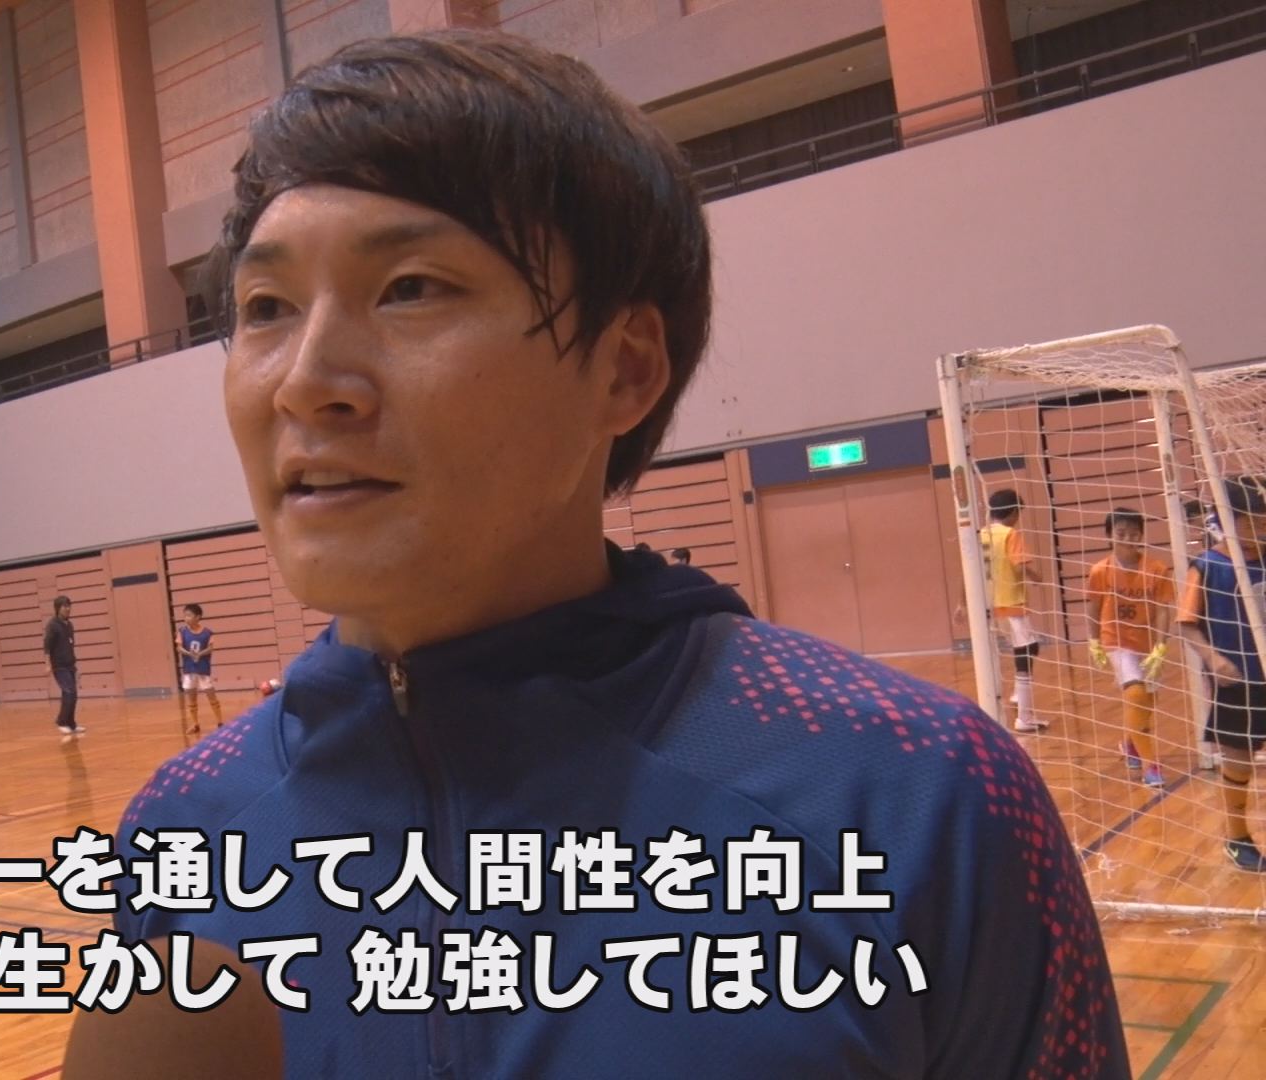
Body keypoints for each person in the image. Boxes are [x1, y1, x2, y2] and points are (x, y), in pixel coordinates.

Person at [103, 29, 1127, 1079]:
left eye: (410, 288)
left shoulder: (915, 796)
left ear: (626, 369)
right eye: (266, 309)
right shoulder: (180, 834)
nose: (305, 380)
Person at [1176, 476, 1266, 871]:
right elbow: (1186, 623)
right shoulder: (1209, 566)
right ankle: (1236, 836)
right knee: (1238, 759)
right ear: (1229, 520)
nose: (1262, 528)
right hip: (1238, 680)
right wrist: (1214, 660)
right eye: (1254, 521)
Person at [1086, 509, 1174, 787]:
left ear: (1141, 536)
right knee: (1135, 694)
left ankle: (1129, 743)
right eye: (1121, 533)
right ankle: (1151, 766)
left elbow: (1163, 610)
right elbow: (1093, 607)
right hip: (1116, 641)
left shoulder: (1157, 569)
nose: (1127, 539)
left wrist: (1161, 646)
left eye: (1134, 534)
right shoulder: (1100, 571)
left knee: (1147, 702)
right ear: (1109, 536)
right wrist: (1094, 641)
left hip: (1147, 644)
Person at [979, 488, 1048, 732]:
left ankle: (1018, 695)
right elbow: (1019, 565)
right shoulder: (1010, 534)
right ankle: (1024, 717)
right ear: (1013, 513)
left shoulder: (982, 534)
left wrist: (962, 603)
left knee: (1029, 646)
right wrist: (1036, 576)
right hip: (1012, 602)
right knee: (1026, 652)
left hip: (991, 602)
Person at [1183, 499, 1220, 769]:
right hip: (1210, 618)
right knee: (1213, 681)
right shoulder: (1204, 549)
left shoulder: (1215, 532)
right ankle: (1219, 741)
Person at [177, 603, 223, 733]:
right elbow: (179, 647)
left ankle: (220, 722)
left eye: (189, 615)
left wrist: (200, 654)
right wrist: (189, 653)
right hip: (189, 669)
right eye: (185, 615)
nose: (186, 618)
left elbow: (210, 648)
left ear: (198, 617)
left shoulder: (207, 633)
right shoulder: (182, 631)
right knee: (191, 698)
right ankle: (195, 724)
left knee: (211, 695)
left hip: (203, 669)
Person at [43, 595, 83, 737]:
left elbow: (70, 646)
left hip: (70, 665)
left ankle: (71, 724)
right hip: (59, 666)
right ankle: (61, 722)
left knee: (74, 694)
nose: (68, 608)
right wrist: (48, 664)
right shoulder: (52, 625)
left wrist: (76, 667)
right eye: (64, 606)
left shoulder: (69, 625)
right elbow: (47, 646)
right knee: (69, 692)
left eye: (69, 605)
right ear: (57, 608)